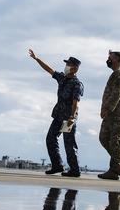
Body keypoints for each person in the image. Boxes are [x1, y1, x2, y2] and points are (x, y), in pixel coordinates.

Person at [28, 49, 84, 177]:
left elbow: (76, 103)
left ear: (75, 68)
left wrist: (72, 117)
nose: (66, 66)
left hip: (68, 118)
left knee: (69, 144)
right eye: (66, 64)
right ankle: (57, 165)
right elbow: (49, 69)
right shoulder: (62, 78)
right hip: (59, 115)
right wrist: (36, 58)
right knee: (50, 139)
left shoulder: (77, 84)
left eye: (69, 64)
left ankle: (75, 170)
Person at [98, 50, 120, 180]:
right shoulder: (115, 74)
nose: (108, 60)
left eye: (110, 58)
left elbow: (117, 92)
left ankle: (115, 169)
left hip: (118, 114)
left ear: (117, 60)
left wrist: (108, 109)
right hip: (112, 114)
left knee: (114, 141)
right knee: (104, 138)